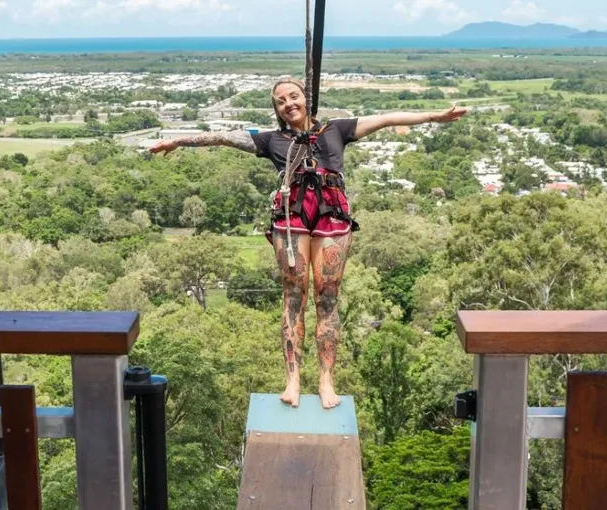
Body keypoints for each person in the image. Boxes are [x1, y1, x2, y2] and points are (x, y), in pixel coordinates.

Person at [149, 78, 467, 409]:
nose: (289, 104)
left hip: (332, 214)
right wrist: (178, 141)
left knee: (327, 299)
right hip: (292, 215)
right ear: (276, 109)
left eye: (294, 96)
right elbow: (222, 138)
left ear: (306, 98)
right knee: (293, 298)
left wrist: (434, 116)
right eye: (280, 101)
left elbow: (386, 118)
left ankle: (326, 380)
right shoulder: (271, 140)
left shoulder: (337, 129)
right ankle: (293, 380)